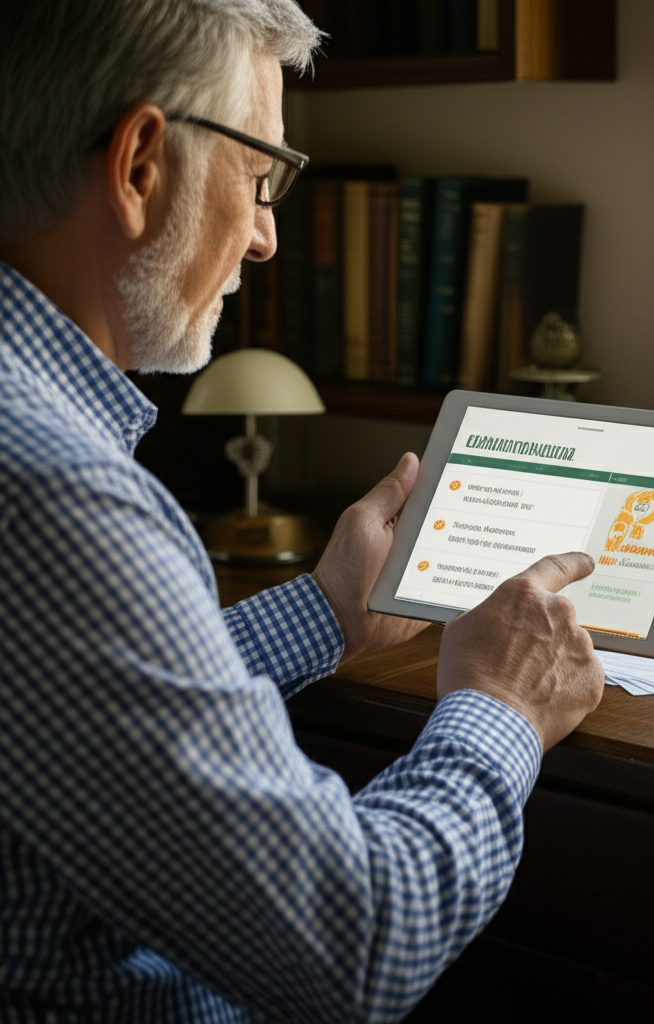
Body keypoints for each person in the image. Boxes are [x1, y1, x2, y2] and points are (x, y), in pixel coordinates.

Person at [0, 2, 604, 1021]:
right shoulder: (58, 496)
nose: (268, 236)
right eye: (259, 177)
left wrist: (327, 611)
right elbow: (352, 945)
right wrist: (499, 706)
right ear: (141, 162)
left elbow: (67, 702)